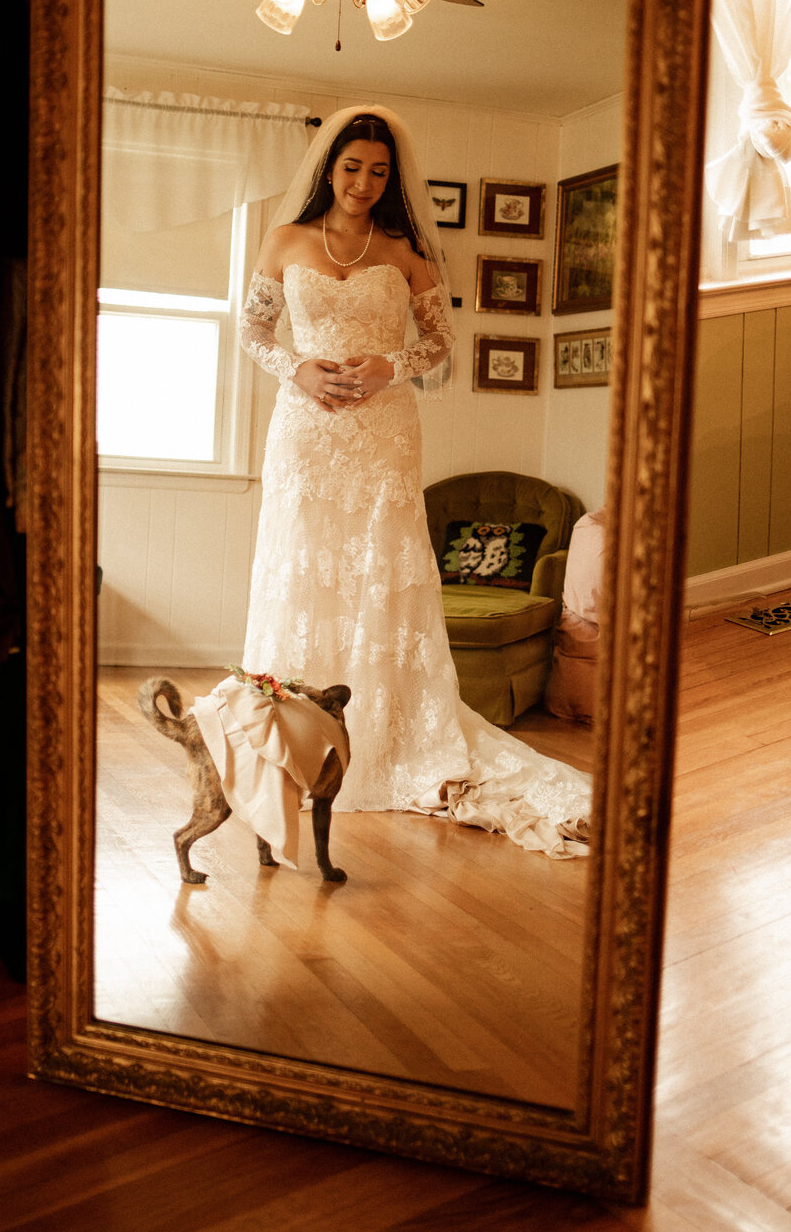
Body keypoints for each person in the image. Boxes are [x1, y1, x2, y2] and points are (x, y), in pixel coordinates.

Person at [239, 104, 591, 859]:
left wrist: (387, 365)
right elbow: (253, 331)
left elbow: (439, 340)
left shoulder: (404, 250)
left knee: (379, 569)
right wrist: (296, 367)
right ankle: (297, 736)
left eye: (378, 170)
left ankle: (387, 730)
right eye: (352, 166)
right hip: (305, 430)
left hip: (384, 430)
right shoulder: (284, 240)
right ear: (329, 166)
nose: (364, 182)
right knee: (305, 568)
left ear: (390, 177)